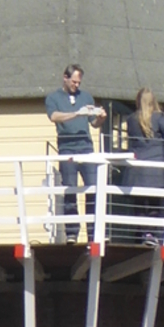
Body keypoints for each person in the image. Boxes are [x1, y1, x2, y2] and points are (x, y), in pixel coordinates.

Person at [45, 64, 105, 239]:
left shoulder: (86, 97)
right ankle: (72, 233)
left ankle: (94, 233)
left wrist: (101, 119)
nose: (76, 85)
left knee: (92, 189)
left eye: (79, 82)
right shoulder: (53, 98)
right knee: (70, 190)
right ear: (65, 78)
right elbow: (54, 116)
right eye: (74, 82)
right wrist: (77, 113)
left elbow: (93, 123)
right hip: (67, 148)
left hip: (86, 147)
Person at [122, 88, 164, 243]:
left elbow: (132, 142)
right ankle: (152, 234)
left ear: (138, 101)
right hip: (157, 168)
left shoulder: (131, 119)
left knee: (140, 203)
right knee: (155, 203)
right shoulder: (158, 117)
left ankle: (143, 234)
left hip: (138, 167)